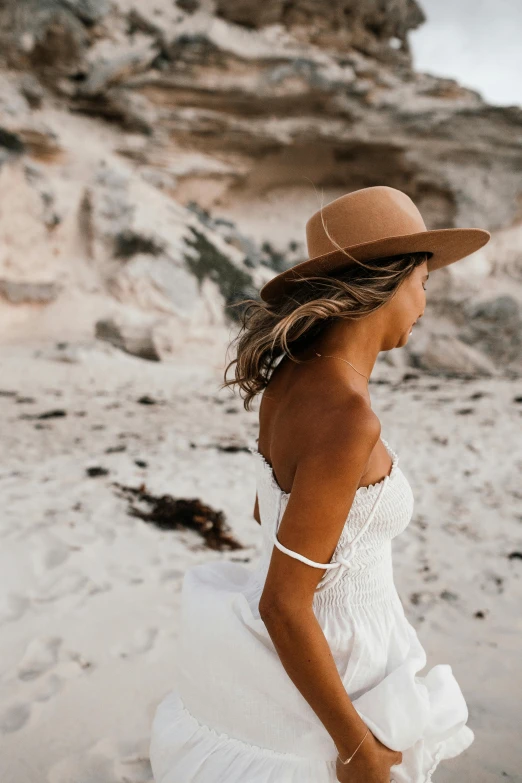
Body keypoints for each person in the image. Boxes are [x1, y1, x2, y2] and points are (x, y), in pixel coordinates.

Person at [149, 185, 491, 782]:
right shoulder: (347, 418)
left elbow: (269, 513)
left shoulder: (289, 380)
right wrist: (355, 746)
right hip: (341, 670)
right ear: (387, 284)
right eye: (423, 283)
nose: (424, 303)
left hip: (331, 649)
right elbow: (283, 603)